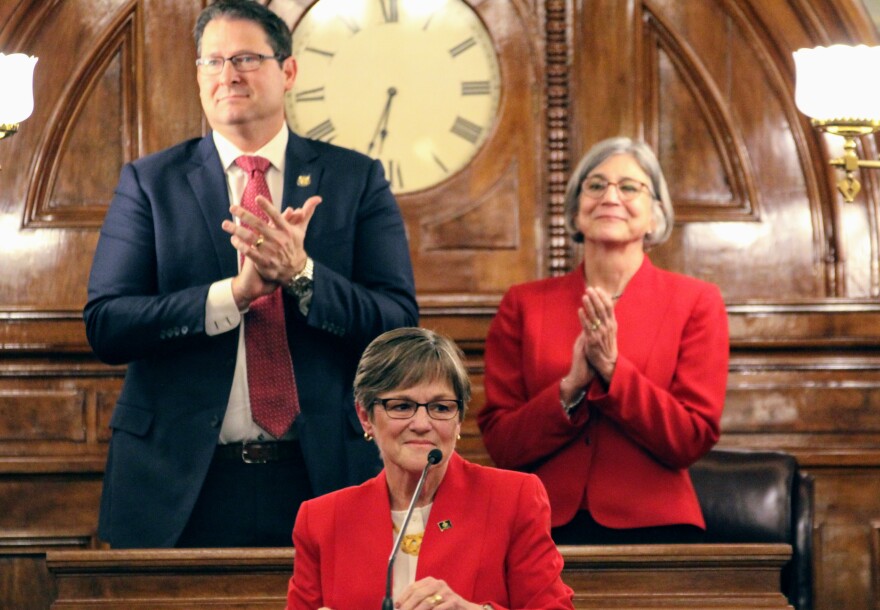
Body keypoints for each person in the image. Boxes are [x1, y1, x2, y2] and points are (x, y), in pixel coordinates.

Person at [83, 0, 417, 548]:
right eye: (211, 62)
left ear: (287, 71)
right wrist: (232, 296)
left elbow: (399, 326)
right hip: (180, 480)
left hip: (322, 473)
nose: (227, 75)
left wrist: (302, 275)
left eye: (244, 58)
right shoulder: (150, 183)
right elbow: (107, 324)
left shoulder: (355, 179)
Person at [477, 136, 729, 544]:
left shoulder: (696, 302)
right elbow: (502, 444)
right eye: (595, 186)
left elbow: (690, 437)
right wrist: (570, 388)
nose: (610, 196)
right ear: (576, 212)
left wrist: (614, 372)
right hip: (539, 526)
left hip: (656, 527)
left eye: (629, 187)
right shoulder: (523, 304)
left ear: (655, 216)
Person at [286, 327, 574, 610]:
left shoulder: (513, 498)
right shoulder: (322, 521)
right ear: (365, 417)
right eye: (401, 406)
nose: (422, 424)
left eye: (440, 408)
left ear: (459, 419)